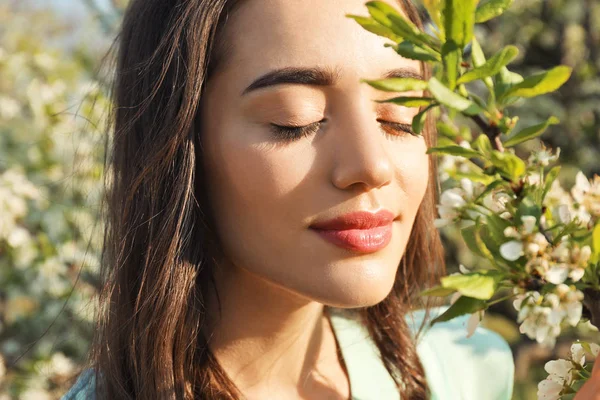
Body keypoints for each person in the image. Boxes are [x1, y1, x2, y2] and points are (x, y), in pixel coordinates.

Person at [61, 0, 517, 399]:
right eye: (294, 120)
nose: (370, 166)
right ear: (178, 145)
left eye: (400, 116)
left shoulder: (464, 368)